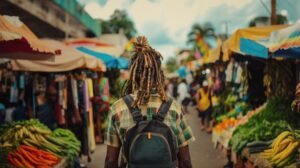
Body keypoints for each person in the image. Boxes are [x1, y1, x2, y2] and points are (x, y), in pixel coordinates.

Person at [104, 36, 194, 168]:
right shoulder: (174, 107)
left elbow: (111, 161)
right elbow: (185, 160)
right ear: (158, 72)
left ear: (133, 72)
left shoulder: (117, 108)